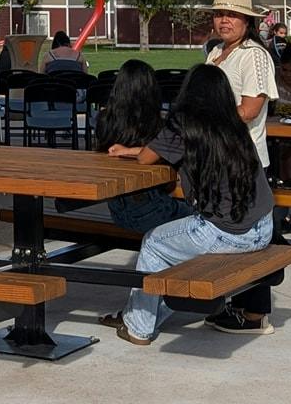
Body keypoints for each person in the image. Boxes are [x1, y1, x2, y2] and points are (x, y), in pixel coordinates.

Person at [109, 65, 274, 346]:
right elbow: (159, 150)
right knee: (175, 246)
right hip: (262, 229)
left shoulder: (184, 124)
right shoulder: (234, 125)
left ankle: (138, 325)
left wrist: (131, 151)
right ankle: (142, 315)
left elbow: (146, 159)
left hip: (226, 233)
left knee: (153, 243)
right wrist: (134, 149)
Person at [97, 60, 194, 234]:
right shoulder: (157, 125)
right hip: (154, 208)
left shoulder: (104, 120)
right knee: (202, 218)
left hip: (118, 210)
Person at [199, 0, 276, 165]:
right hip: (214, 152)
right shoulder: (215, 52)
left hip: (242, 157)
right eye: (219, 14)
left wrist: (205, 121)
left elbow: (249, 111)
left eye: (232, 15)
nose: (224, 20)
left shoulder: (253, 54)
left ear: (247, 21)